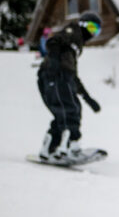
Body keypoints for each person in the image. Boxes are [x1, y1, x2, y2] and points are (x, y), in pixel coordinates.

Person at [36, 13, 103, 164]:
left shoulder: (76, 45)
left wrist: (88, 98)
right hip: (55, 75)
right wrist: (53, 65)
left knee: (62, 114)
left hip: (58, 76)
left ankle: (49, 149)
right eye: (91, 27)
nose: (92, 33)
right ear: (83, 24)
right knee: (71, 109)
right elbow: (52, 41)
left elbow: (73, 75)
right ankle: (71, 146)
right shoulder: (74, 31)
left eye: (96, 30)